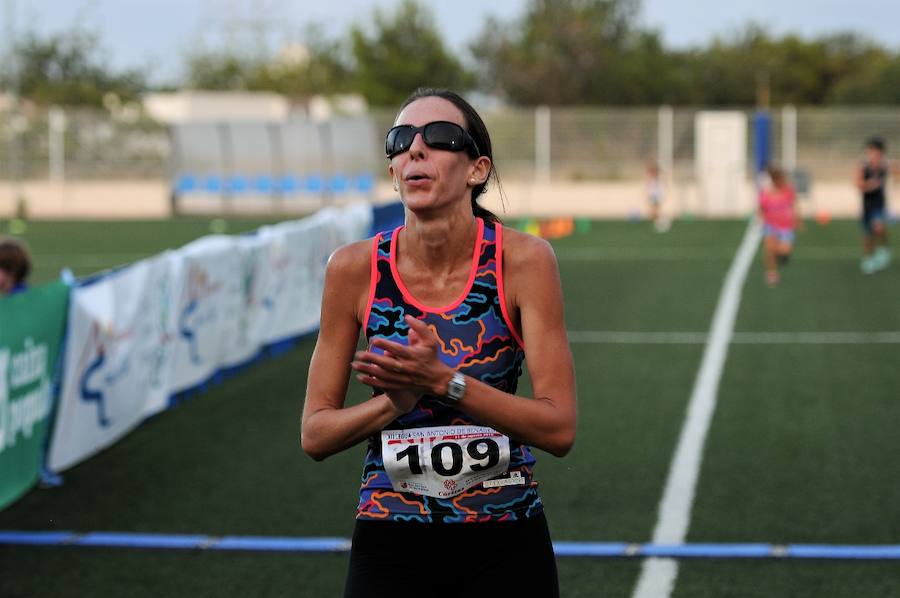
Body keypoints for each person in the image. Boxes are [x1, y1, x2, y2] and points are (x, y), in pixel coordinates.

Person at [301, 88, 576, 598]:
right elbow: (315, 434)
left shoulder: (525, 261)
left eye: (441, 138)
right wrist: (394, 402)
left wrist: (443, 383)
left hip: (505, 531)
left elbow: (559, 427)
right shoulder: (353, 269)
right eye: (401, 140)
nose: (416, 150)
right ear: (393, 173)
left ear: (477, 170)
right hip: (391, 533)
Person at [758, 165, 801, 287]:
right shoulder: (766, 193)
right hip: (771, 226)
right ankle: (771, 273)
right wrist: (762, 220)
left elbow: (794, 205)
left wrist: (798, 220)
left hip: (786, 227)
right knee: (769, 249)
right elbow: (761, 209)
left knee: (784, 252)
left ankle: (779, 255)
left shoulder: (788, 191)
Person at [854, 137, 892, 274]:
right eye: (870, 151)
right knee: (868, 234)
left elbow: (896, 172)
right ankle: (868, 259)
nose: (872, 154)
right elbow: (858, 184)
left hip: (879, 204)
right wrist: (869, 185)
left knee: (878, 227)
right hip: (867, 204)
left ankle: (884, 249)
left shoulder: (885, 165)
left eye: (875, 152)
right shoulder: (863, 166)